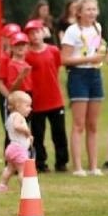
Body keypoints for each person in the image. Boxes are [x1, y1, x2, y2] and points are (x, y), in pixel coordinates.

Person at [60, 0, 105, 177]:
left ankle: (94, 165)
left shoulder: (97, 27)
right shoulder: (72, 31)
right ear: (79, 12)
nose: (92, 13)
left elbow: (95, 49)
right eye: (88, 10)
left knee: (92, 124)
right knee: (79, 124)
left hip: (95, 74)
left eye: (94, 9)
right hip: (78, 75)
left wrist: (100, 54)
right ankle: (78, 166)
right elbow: (64, 59)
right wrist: (88, 59)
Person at [22, 20, 68, 172]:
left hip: (55, 99)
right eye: (30, 33)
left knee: (59, 133)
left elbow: (56, 67)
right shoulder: (27, 55)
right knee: (38, 135)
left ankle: (61, 162)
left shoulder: (53, 50)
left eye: (36, 32)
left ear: (43, 32)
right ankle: (40, 163)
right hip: (37, 101)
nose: (34, 36)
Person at [0, 90, 34, 192]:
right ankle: (26, 189)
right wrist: (26, 130)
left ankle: (2, 185)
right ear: (18, 105)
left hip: (12, 147)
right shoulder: (17, 116)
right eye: (27, 106)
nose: (30, 109)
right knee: (23, 170)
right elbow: (16, 126)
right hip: (18, 149)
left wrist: (28, 138)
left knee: (10, 169)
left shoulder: (11, 116)